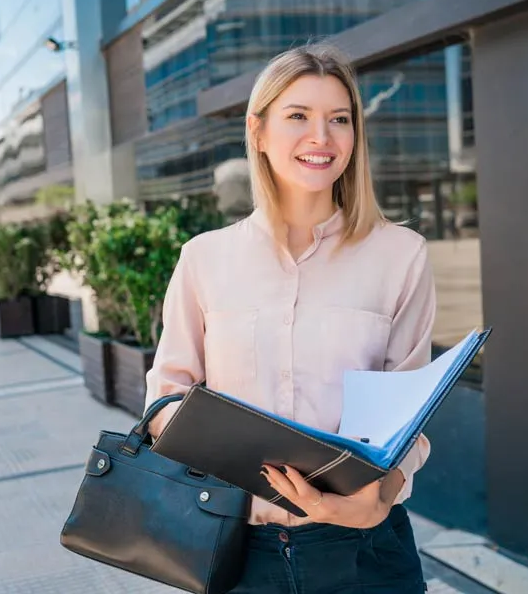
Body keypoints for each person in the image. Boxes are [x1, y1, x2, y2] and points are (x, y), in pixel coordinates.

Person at [144, 43, 436, 594]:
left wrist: (378, 498)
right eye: (298, 116)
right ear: (257, 131)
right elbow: (164, 400)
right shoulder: (204, 258)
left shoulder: (401, 255)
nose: (321, 138)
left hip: (366, 551)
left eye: (339, 119)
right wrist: (232, 452)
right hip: (237, 551)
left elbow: (411, 413)